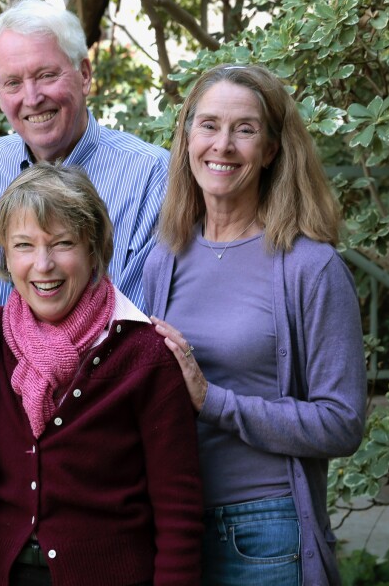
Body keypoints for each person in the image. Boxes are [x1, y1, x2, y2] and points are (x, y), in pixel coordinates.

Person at [143, 64, 366, 585]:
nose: (222, 145)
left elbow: (342, 422)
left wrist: (212, 400)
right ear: (187, 137)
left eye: (244, 129)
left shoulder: (310, 267)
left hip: (265, 530)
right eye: (208, 125)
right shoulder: (165, 256)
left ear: (270, 150)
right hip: (174, 527)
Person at [0, 162, 203, 586]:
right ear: (4, 254)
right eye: (24, 245)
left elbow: (179, 515)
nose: (43, 265)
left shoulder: (145, 355)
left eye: (63, 243)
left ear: (93, 249)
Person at [0, 0, 167, 311]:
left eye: (47, 75)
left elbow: (133, 326)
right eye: (12, 83)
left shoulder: (150, 176)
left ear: (85, 74)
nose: (33, 98)